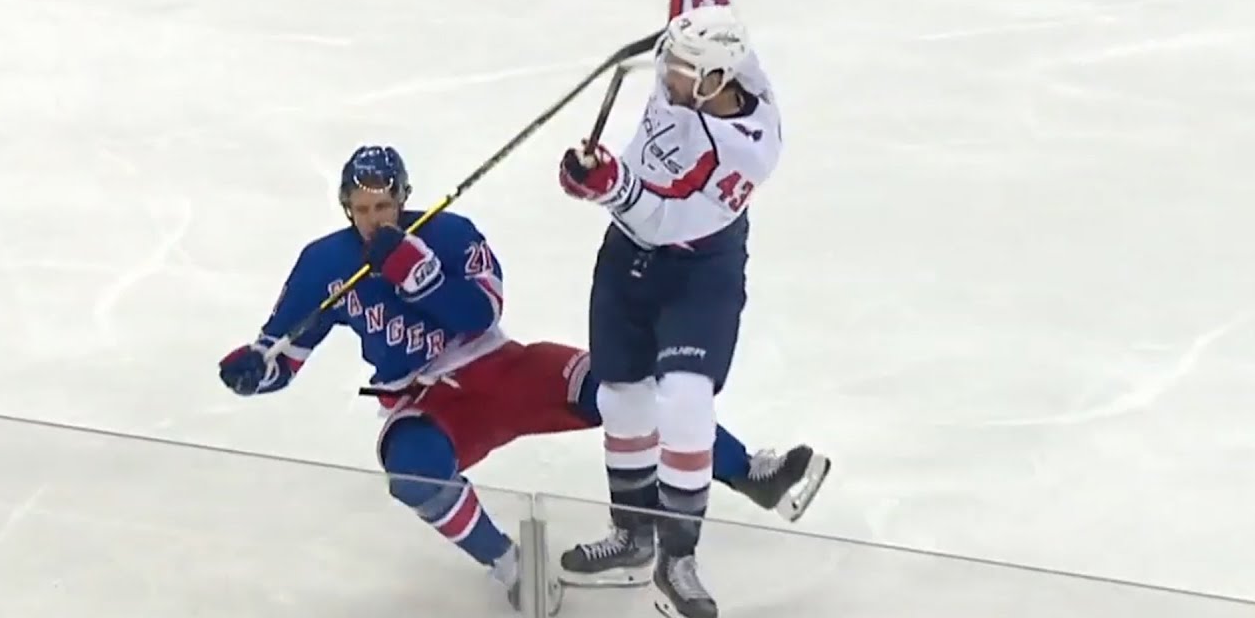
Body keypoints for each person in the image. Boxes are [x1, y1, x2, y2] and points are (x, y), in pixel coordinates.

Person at [217, 146, 826, 615]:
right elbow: (284, 354)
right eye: (363, 208)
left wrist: (418, 275)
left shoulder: (450, 234)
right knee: (411, 471)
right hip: (428, 398)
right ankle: (512, 568)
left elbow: (483, 314)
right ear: (346, 205)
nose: (375, 220)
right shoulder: (323, 263)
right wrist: (255, 371)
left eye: (385, 207)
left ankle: (753, 473)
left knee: (624, 392)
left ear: (404, 198)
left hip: (503, 366)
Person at [555, 0, 806, 615]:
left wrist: (604, 182)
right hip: (624, 257)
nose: (666, 81)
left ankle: (678, 559)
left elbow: (669, 219)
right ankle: (632, 534)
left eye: (680, 78)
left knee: (687, 399)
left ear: (719, 83)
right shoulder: (700, 41)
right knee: (623, 396)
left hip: (697, 267)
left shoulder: (748, 151)